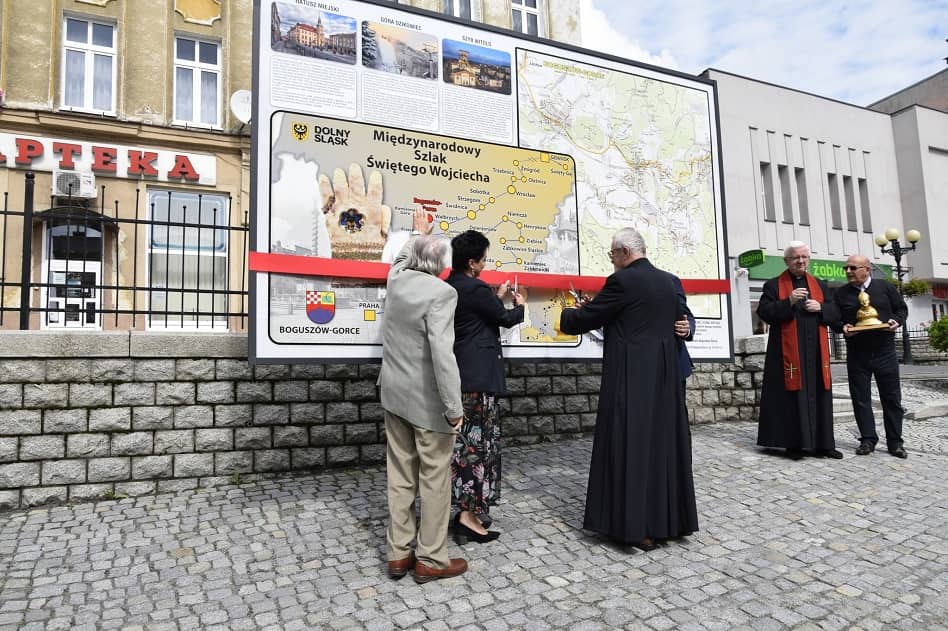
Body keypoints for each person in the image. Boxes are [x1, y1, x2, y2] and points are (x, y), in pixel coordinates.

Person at [559, 228, 698, 551]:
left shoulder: (621, 281)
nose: (612, 260)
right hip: (664, 381)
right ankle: (666, 523)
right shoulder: (669, 281)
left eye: (612, 254)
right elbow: (667, 317)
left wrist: (567, 314)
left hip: (631, 379)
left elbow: (587, 319)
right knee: (662, 449)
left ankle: (634, 529)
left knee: (630, 447)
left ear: (624, 252)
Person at [378, 208, 467, 583]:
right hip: (428, 404)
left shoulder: (397, 279)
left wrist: (418, 232)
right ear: (442, 266)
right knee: (434, 479)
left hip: (393, 395)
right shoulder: (443, 293)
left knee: (400, 475)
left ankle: (399, 554)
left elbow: (401, 258)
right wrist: (454, 408)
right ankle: (430, 558)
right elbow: (443, 356)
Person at [445, 230, 525, 544]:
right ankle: (467, 517)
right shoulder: (475, 288)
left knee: (464, 447)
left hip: (460, 376)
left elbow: (480, 314)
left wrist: (494, 297)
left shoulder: (450, 286)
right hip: (477, 380)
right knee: (475, 449)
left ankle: (467, 510)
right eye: (483, 259)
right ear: (472, 262)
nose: (485, 264)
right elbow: (504, 318)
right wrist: (520, 305)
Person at [756, 241, 842, 460]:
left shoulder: (820, 284)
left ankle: (824, 444)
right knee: (791, 398)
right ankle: (794, 444)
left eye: (804, 257)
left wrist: (821, 308)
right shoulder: (773, 285)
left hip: (816, 353)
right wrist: (789, 301)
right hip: (786, 354)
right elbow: (764, 312)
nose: (801, 261)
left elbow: (835, 313)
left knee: (820, 395)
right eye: (796, 258)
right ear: (786, 261)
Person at [831, 254, 909, 458]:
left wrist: (896, 321)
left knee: (892, 399)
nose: (848, 271)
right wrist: (842, 327)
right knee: (860, 399)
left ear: (867, 269)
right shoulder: (841, 293)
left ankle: (895, 442)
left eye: (853, 268)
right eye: (846, 268)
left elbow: (901, 309)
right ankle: (867, 440)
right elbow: (834, 319)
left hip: (885, 352)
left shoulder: (885, 287)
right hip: (857, 354)